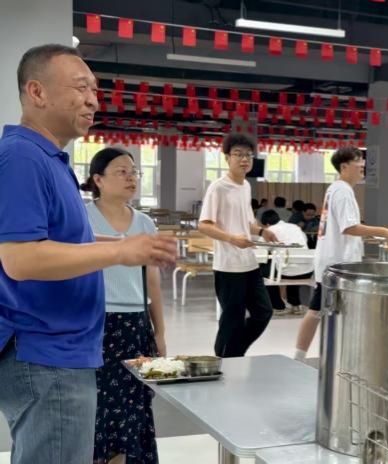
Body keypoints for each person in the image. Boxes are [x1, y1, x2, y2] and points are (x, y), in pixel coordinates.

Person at [0, 44, 176, 464]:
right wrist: (120, 252)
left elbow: (64, 239)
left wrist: (124, 246)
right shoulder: (22, 157)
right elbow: (20, 259)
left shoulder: (51, 159)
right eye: (81, 88)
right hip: (45, 352)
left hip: (64, 351)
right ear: (37, 92)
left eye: (94, 90)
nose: (93, 100)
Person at [81, 147, 164, 464]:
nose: (131, 178)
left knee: (133, 408)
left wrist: (160, 331)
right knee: (99, 408)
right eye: (121, 171)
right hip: (95, 324)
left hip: (135, 326)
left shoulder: (144, 223)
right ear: (98, 179)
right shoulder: (82, 217)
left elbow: (152, 280)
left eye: (134, 172)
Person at [294, 146, 388, 361]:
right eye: (358, 161)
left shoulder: (337, 189)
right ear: (344, 166)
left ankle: (322, 356)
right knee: (321, 311)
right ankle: (311, 357)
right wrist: (384, 231)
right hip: (337, 264)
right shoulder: (342, 191)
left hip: (334, 261)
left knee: (323, 311)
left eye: (362, 161)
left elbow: (346, 229)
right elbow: (349, 227)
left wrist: (368, 237)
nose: (362, 166)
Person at [198, 132, 277, 358]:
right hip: (228, 266)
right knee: (232, 318)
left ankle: (230, 355)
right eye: (238, 154)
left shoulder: (245, 187)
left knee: (263, 312)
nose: (244, 159)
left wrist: (262, 231)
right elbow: (204, 225)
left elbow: (247, 222)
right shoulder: (218, 187)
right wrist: (233, 239)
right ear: (227, 158)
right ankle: (226, 358)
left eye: (248, 155)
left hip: (249, 263)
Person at [260, 209, 313, 315]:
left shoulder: (270, 230)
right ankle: (295, 304)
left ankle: (278, 306)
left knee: (264, 270)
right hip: (307, 270)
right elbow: (304, 242)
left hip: (286, 272)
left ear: (267, 224)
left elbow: (262, 251)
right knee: (293, 263)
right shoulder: (295, 227)